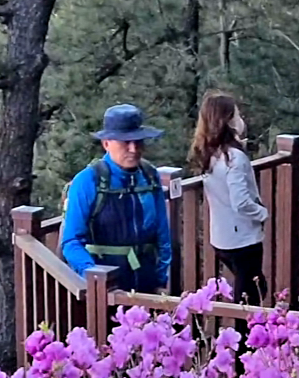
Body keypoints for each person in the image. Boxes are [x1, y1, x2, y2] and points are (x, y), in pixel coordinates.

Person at [60, 104, 178, 294]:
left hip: (146, 282)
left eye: (138, 141)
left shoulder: (149, 176)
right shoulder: (88, 181)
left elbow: (162, 235)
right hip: (105, 288)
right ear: (106, 143)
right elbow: (71, 241)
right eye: (125, 142)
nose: (133, 149)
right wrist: (95, 277)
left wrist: (161, 279)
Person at [188, 91, 269, 306]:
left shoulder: (208, 154)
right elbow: (240, 200)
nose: (241, 120)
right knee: (250, 294)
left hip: (221, 237)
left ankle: (248, 332)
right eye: (237, 115)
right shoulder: (234, 158)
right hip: (243, 237)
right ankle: (247, 337)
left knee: (253, 286)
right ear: (228, 121)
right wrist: (262, 213)